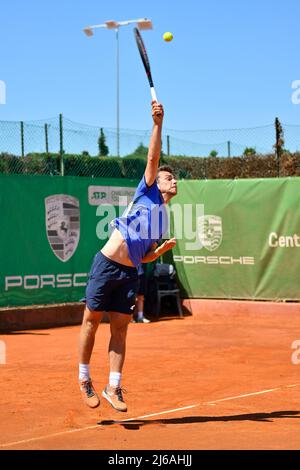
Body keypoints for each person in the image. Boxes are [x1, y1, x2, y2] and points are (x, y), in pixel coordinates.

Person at [78, 101, 177, 412]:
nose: (173, 181)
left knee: (120, 329)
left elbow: (144, 256)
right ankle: (83, 378)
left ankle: (114, 386)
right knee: (91, 322)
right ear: (155, 182)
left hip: (129, 273)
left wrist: (157, 252)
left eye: (175, 179)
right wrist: (158, 124)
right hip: (107, 265)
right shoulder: (146, 190)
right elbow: (153, 156)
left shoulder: (163, 218)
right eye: (168, 178)